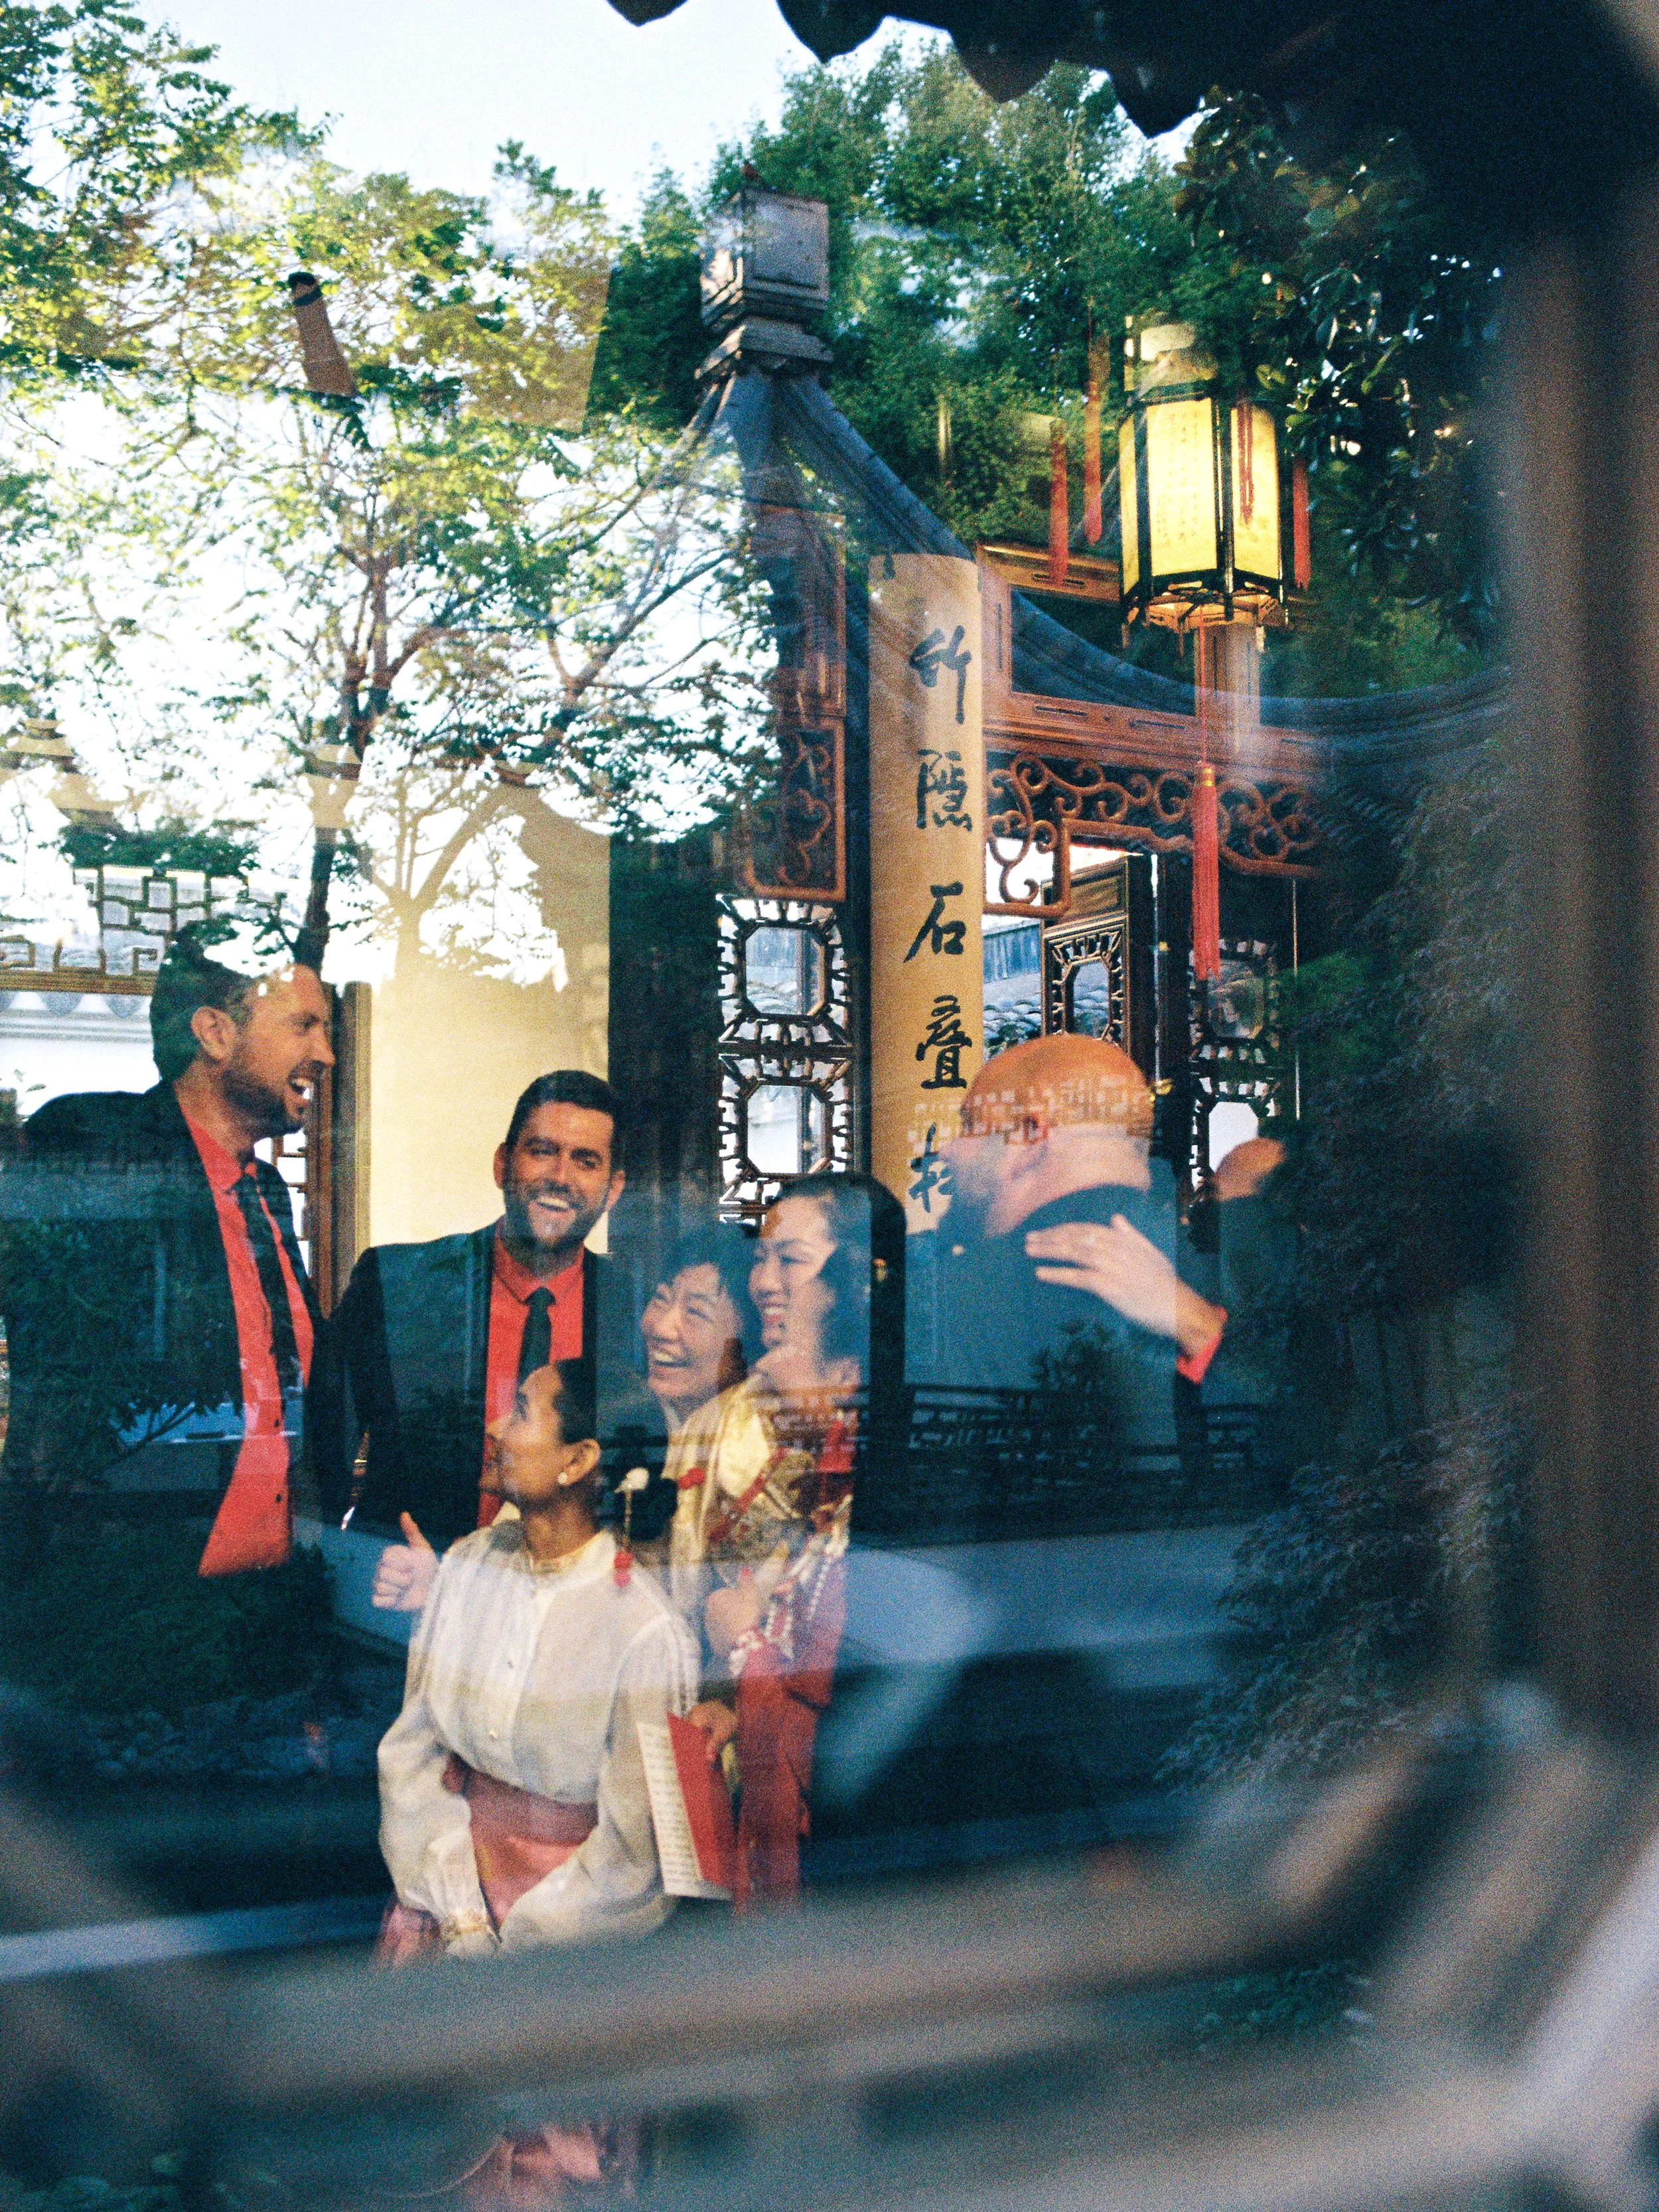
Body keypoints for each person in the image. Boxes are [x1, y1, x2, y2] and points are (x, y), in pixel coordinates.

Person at [0, 932, 332, 1578]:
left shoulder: (266, 1192)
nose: (325, 1053)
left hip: (268, 1603)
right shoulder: (94, 1144)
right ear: (214, 1032)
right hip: (132, 1607)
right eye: (303, 1025)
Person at [377, 1355, 693, 1960]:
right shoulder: (469, 1566)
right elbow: (411, 1753)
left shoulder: (646, 1631)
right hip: (444, 1906)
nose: (495, 1426)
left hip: (570, 1942)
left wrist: (519, 1944)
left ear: (577, 1461)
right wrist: (462, 1913)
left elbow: (635, 1850)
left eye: (521, 1412)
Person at [314, 1071, 640, 1607]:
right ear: (502, 1164)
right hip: (399, 1609)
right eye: (542, 1151)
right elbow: (323, 1461)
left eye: (586, 1160)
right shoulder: (397, 1283)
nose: (561, 1176)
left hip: (570, 1622)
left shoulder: (634, 1309)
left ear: (614, 1188)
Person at [666, 1173, 902, 1907]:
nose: (765, 1280)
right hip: (737, 1746)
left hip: (850, 1757)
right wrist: (725, 1699)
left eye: (790, 1260)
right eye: (760, 1258)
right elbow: (687, 1590)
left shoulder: (898, 1412)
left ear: (858, 1279)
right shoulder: (722, 1419)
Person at [638, 1219, 758, 1437]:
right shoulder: (621, 1419)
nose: (661, 1329)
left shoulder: (758, 1442)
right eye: (661, 1299)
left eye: (695, 1312)